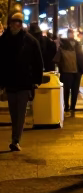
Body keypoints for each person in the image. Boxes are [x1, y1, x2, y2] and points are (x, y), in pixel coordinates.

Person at [0, 11, 44, 150]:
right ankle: (15, 137)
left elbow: (38, 62)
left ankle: (15, 140)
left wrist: (36, 80)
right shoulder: (3, 40)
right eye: (14, 22)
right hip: (10, 82)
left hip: (25, 82)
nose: (16, 25)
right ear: (10, 23)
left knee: (20, 112)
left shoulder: (30, 41)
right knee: (14, 113)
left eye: (19, 22)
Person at [55, 27, 83, 114]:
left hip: (73, 71)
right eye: (70, 33)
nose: (71, 35)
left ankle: (70, 107)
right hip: (70, 71)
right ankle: (69, 107)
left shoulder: (76, 44)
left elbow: (81, 57)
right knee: (69, 90)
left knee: (72, 90)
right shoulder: (67, 45)